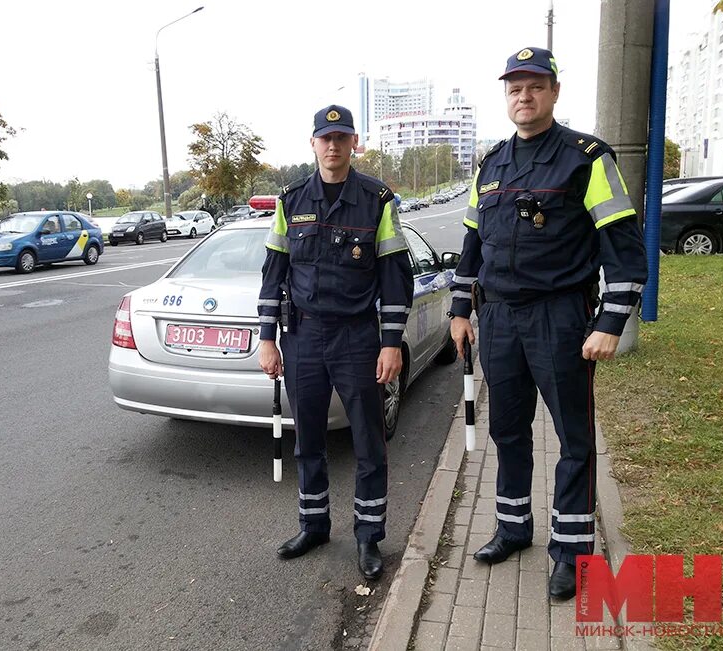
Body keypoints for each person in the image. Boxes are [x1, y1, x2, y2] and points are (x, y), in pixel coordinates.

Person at [448, 47, 647, 600]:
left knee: (573, 438)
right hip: (500, 321)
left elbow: (624, 249)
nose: (524, 95)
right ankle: (513, 528)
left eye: (535, 85)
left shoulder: (586, 157)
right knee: (506, 431)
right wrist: (460, 310)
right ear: (506, 95)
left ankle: (572, 551)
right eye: (514, 87)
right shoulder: (490, 164)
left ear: (554, 92)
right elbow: (471, 245)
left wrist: (609, 320)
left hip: (560, 318)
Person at [257, 105, 413, 580]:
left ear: (354, 143)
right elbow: (273, 275)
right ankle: (314, 525)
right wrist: (268, 340)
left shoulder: (378, 201)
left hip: (356, 339)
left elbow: (395, 279)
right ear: (313, 143)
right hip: (302, 337)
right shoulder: (290, 202)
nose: (333, 146)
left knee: (368, 441)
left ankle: (369, 537)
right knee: (308, 439)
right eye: (325, 138)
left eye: (342, 137)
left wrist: (390, 343)